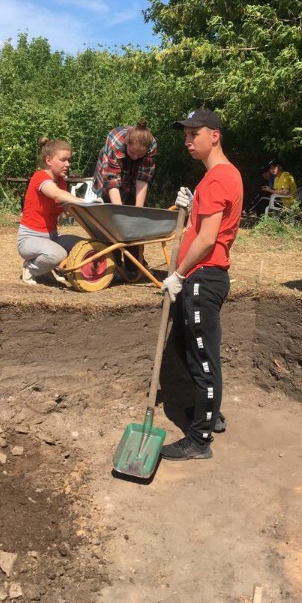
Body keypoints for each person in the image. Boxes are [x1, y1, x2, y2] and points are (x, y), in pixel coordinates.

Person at [160, 106, 243, 460]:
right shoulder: (219, 178)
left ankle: (200, 440)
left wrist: (179, 275)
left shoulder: (217, 179)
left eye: (194, 134)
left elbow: (208, 240)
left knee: (204, 361)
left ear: (215, 135)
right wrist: (191, 205)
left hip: (201, 278)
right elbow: (206, 225)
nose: (188, 141)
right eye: (185, 135)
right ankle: (211, 413)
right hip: (202, 277)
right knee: (188, 349)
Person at [17, 137, 96, 285]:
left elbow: (68, 207)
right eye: (63, 160)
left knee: (83, 246)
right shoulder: (39, 177)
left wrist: (94, 217)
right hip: (29, 240)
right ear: (48, 160)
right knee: (57, 254)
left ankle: (53, 267)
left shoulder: (60, 181)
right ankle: (31, 268)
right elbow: (55, 194)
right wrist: (86, 203)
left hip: (52, 237)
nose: (68, 164)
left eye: (69, 160)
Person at [92, 121, 157, 206]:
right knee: (109, 204)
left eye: (140, 154)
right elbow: (112, 180)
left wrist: (138, 210)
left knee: (134, 203)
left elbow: (143, 178)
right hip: (112, 165)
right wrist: (120, 212)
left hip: (133, 171)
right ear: (127, 142)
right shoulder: (115, 144)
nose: (135, 157)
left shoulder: (151, 146)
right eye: (132, 152)